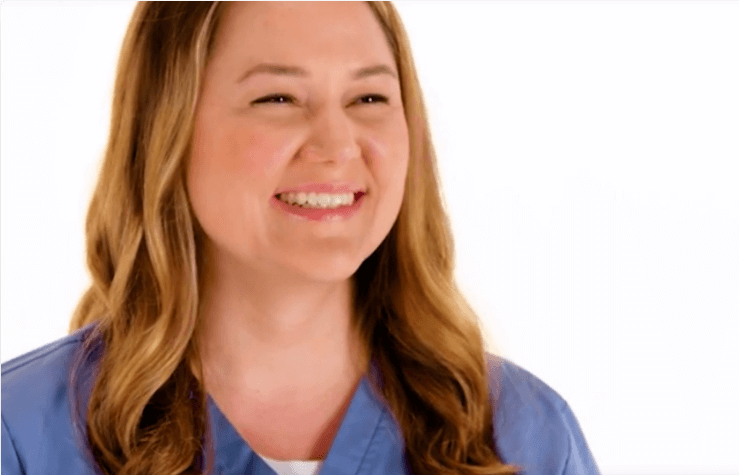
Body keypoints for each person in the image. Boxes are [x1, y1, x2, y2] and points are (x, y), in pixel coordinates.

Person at [0, 2, 601, 474]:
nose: (338, 145)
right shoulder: (24, 436)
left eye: (368, 97)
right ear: (166, 133)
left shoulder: (525, 437)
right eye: (278, 98)